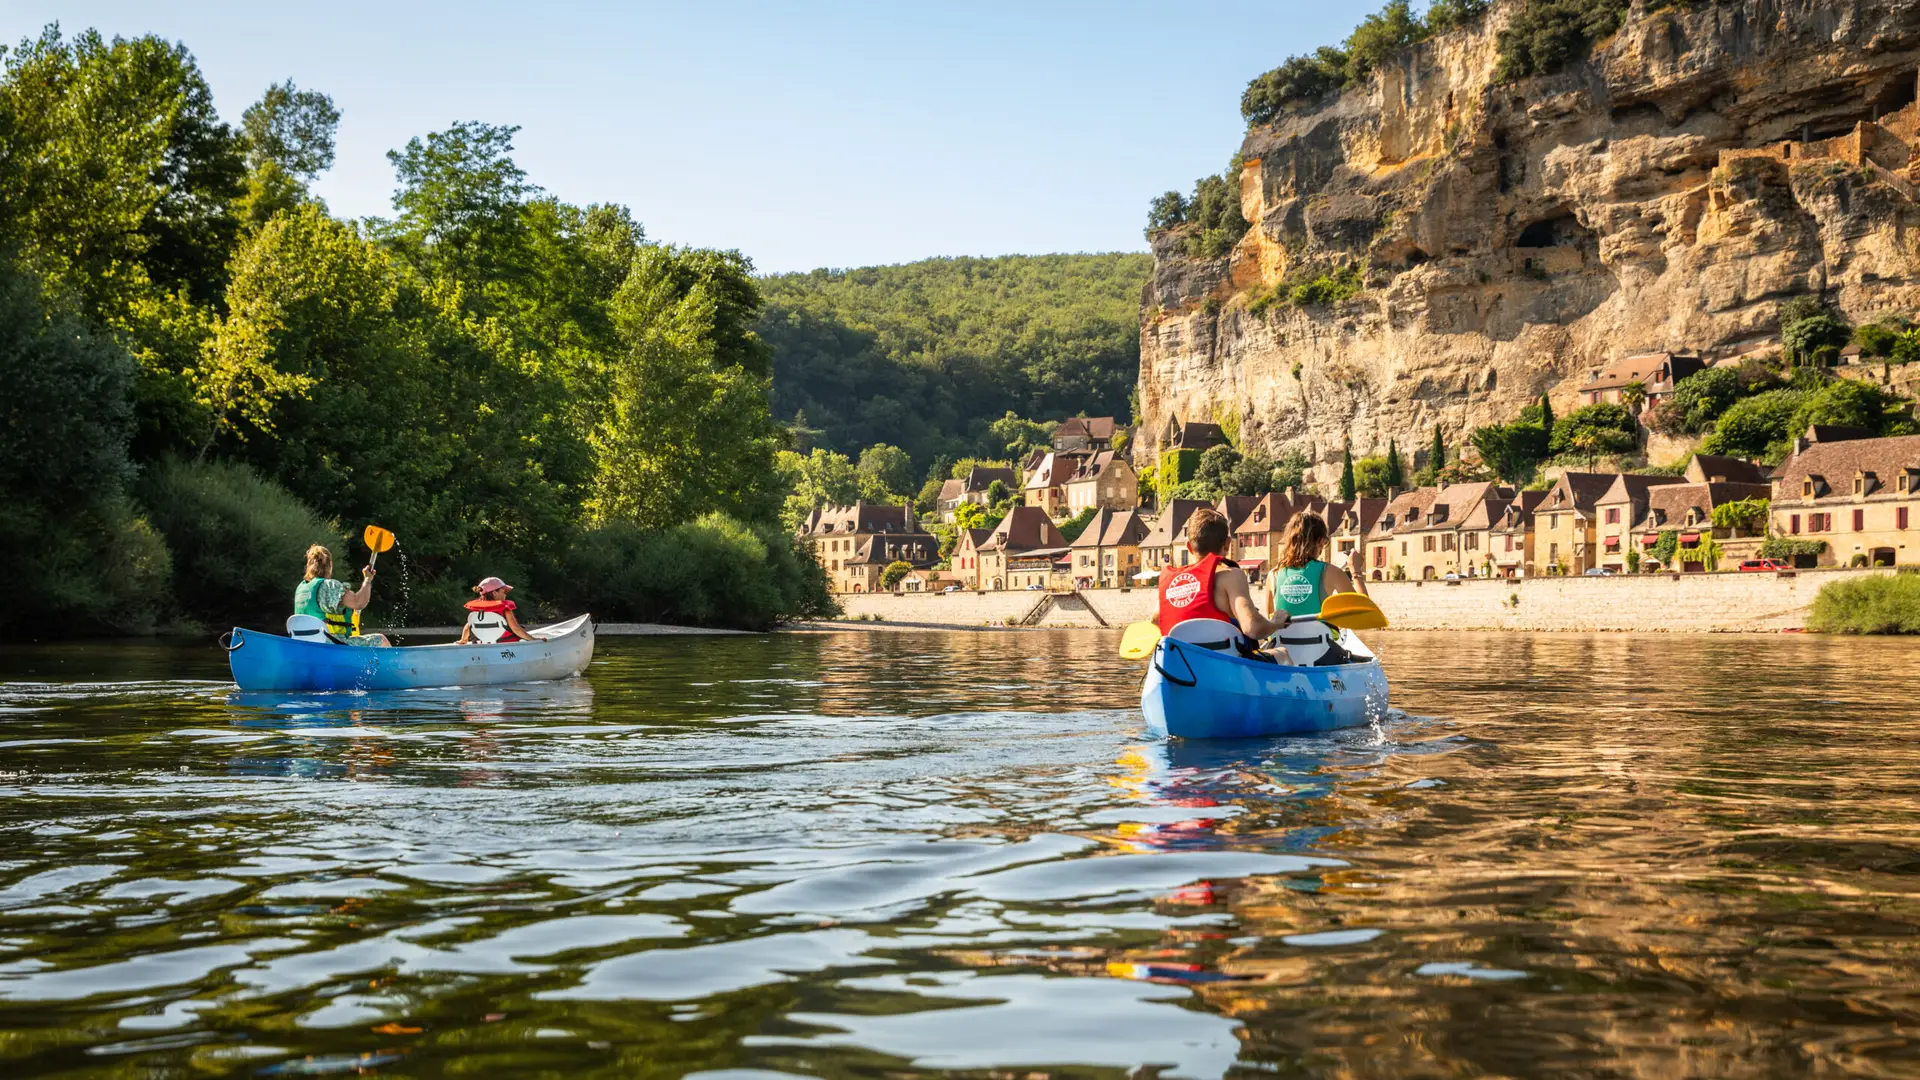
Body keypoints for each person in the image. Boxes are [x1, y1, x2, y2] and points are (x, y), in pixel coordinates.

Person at [1155, 507, 1283, 650]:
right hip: (1223, 663)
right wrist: (1276, 623)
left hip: (1180, 664)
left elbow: (1155, 621)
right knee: (1281, 653)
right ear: (1228, 544)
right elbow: (1252, 627)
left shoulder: (1170, 583)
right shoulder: (1231, 576)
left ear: (1189, 547)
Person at [1267, 511, 1364, 665]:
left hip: (1284, 652)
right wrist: (1356, 571)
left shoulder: (1273, 575)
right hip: (1322, 653)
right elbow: (1362, 613)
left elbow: (1271, 620)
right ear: (1319, 541)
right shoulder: (1330, 571)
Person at [293, 544, 389, 647]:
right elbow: (359, 602)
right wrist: (367, 580)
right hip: (331, 645)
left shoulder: (301, 589)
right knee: (381, 640)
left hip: (304, 645)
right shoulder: (329, 586)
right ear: (330, 565)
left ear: (308, 565)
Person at [458, 576, 534, 644]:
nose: (505, 594)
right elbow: (515, 628)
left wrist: (463, 640)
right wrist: (533, 639)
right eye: (504, 591)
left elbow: (468, 626)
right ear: (494, 593)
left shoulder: (478, 611)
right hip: (508, 644)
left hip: (487, 644)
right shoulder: (505, 609)